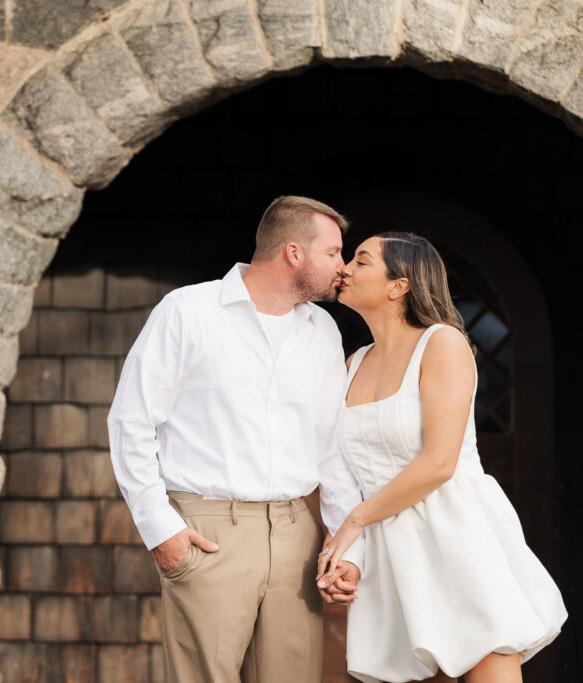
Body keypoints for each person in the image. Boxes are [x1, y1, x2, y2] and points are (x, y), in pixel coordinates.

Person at [108, 195, 366, 682]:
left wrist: (347, 545)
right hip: (209, 535)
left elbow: (331, 448)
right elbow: (131, 421)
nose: (343, 266)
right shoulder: (186, 311)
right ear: (294, 252)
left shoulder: (323, 330)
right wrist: (160, 529)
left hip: (297, 536)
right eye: (333, 252)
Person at [317, 231, 567, 683]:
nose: (345, 269)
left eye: (362, 260)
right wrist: (351, 553)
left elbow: (439, 463)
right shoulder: (353, 363)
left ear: (399, 286)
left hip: (455, 533)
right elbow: (344, 470)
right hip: (393, 552)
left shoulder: (442, 344)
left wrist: (354, 521)